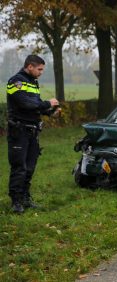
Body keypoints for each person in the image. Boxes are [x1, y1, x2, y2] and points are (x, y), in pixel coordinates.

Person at [6, 54, 60, 213]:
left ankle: (25, 197)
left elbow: (36, 106)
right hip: (19, 131)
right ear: (30, 66)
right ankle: (16, 201)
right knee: (19, 167)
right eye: (39, 69)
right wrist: (47, 103)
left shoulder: (32, 82)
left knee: (29, 167)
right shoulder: (15, 82)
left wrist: (50, 112)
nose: (41, 72)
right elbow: (25, 104)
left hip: (33, 131)